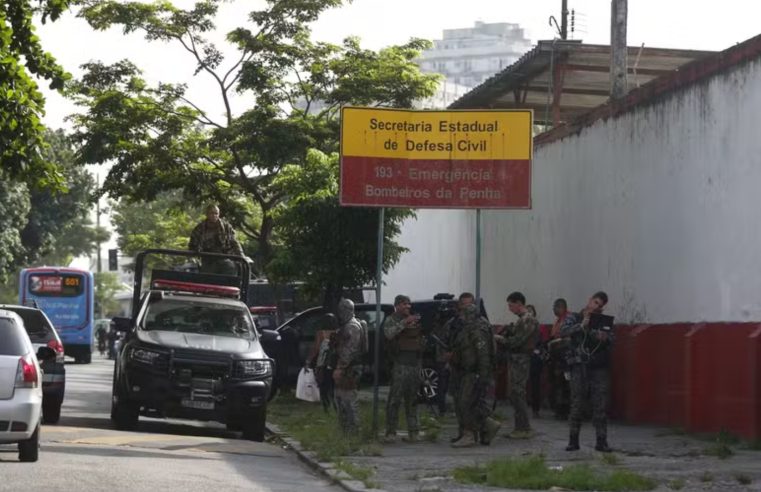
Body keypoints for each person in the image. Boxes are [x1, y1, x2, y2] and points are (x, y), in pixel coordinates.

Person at [560, 291, 615, 453]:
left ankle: (601, 441)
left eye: (600, 305)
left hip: (598, 367)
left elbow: (612, 340)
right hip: (579, 366)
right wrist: (581, 326)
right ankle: (573, 440)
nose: (597, 306)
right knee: (577, 402)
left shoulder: (602, 321)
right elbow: (562, 331)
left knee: (600, 404)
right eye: (596, 302)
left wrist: (604, 338)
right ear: (590, 300)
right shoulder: (575, 317)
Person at [451, 303, 501, 448]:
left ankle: (470, 435)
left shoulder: (477, 330)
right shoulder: (471, 328)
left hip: (475, 372)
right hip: (469, 371)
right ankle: (488, 427)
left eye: (463, 315)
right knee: (471, 403)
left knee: (466, 403)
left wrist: (482, 376)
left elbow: (483, 354)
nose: (461, 318)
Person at [495, 292, 538, 439]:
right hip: (516, 359)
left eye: (510, 305)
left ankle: (524, 428)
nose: (509, 308)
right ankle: (520, 427)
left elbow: (517, 342)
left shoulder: (527, 320)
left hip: (521, 359)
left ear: (519, 303)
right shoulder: (521, 320)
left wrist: (498, 338)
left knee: (518, 393)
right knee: (515, 393)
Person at [383, 295, 423, 443]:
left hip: (414, 364)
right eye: (404, 304)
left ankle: (414, 432)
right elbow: (388, 334)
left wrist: (420, 367)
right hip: (399, 364)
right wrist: (405, 322)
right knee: (395, 400)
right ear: (397, 306)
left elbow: (419, 343)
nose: (408, 307)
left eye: (409, 304)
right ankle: (391, 432)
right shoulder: (391, 320)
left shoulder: (415, 321)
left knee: (412, 400)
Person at [438, 292, 475, 443]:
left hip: (472, 369)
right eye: (465, 305)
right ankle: (463, 432)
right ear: (459, 305)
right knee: (458, 402)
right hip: (456, 368)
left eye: (470, 305)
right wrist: (447, 356)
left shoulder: (478, 323)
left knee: (471, 402)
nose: (467, 308)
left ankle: (472, 433)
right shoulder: (452, 324)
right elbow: (443, 342)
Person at [333, 299, 363, 433]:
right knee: (342, 400)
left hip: (349, 369)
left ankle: (353, 431)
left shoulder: (352, 326)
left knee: (348, 401)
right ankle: (346, 431)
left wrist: (340, 367)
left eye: (342, 311)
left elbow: (349, 350)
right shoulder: (349, 325)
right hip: (348, 368)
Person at [188, 204, 244, 275]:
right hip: (208, 261)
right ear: (207, 214)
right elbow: (192, 247)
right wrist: (192, 259)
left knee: (230, 267)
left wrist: (242, 257)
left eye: (216, 213)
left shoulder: (226, 227)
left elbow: (235, 243)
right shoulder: (199, 229)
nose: (214, 215)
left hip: (224, 258)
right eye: (212, 213)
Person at [307, 313, 338, 413]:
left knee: (324, 386)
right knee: (333, 386)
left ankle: (326, 407)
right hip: (334, 363)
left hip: (323, 363)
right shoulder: (338, 333)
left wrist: (309, 359)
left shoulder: (321, 334)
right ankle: (336, 406)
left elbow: (316, 348)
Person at [548, 298, 571, 420]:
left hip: (564, 357)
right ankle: (559, 409)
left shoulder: (568, 319)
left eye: (555, 308)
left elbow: (566, 338)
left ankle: (565, 410)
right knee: (557, 384)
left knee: (564, 385)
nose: (553, 310)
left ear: (561, 307)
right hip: (556, 355)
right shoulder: (558, 320)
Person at [527, 304, 547, 419]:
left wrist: (537, 352)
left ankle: (535, 409)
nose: (529, 313)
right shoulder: (521, 327)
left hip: (535, 358)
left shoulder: (541, 327)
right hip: (524, 358)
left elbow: (543, 343)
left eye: (531, 311)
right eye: (527, 311)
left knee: (535, 384)